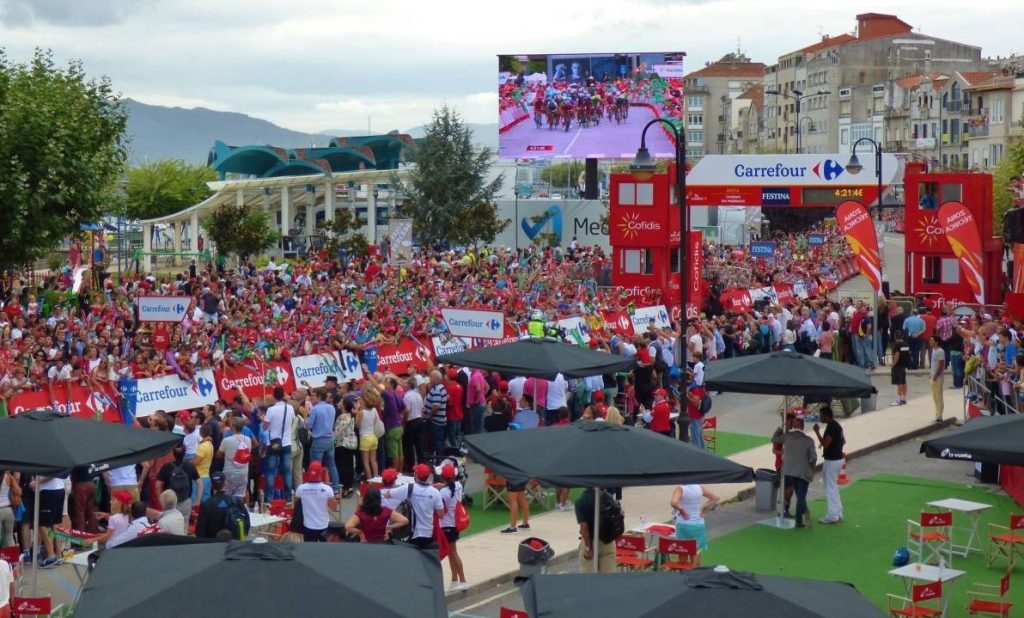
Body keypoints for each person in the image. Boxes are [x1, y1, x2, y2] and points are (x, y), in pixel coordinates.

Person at [772, 416, 816, 528]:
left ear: (794, 426)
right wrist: (811, 468)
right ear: (803, 426)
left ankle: (804, 516)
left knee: (798, 493)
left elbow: (774, 438)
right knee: (801, 495)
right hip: (803, 471)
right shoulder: (809, 441)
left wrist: (781, 427)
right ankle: (799, 520)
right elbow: (813, 458)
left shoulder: (787, 437)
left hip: (789, 470)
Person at [385, 463, 442, 550]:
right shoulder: (435, 492)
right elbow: (440, 514)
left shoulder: (408, 488)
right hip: (428, 534)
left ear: (416, 475)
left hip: (411, 534)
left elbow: (387, 494)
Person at [263, 386, 297, 503]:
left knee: (271, 471)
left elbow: (265, 427)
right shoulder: (290, 408)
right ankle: (288, 498)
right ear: (283, 396)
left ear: (273, 396)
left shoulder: (271, 410)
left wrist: (264, 420)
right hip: (287, 443)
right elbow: (292, 422)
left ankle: (269, 499)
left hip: (273, 443)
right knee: (287, 471)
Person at [813, 406, 845, 524]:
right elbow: (843, 441)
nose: (820, 417)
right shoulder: (837, 426)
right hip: (836, 459)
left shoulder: (832, 427)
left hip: (832, 460)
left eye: (821, 415)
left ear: (826, 415)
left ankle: (832, 514)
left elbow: (826, 444)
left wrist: (817, 432)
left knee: (829, 487)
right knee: (833, 486)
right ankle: (838, 511)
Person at [195, 471, 250, 540]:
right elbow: (247, 521)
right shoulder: (235, 500)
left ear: (211, 485)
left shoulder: (206, 504)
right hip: (233, 543)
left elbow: (200, 530)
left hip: (214, 543)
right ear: (224, 483)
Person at [438, 464, 467, 590]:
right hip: (454, 524)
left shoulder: (443, 492)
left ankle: (463, 580)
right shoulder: (458, 486)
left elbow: (442, 512)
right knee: (451, 552)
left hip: (447, 525)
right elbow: (448, 487)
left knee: (453, 552)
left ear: (443, 477)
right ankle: (454, 579)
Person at [574, 488, 617, 573]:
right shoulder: (607, 496)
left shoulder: (581, 500)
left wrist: (588, 548)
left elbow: (584, 527)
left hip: (591, 540)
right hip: (608, 540)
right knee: (608, 577)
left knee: (589, 579)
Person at [294, 461, 338, 542]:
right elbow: (334, 508)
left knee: (310, 551)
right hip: (324, 525)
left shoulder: (301, 488)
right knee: (324, 551)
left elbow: (295, 504)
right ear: (321, 473)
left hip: (308, 526)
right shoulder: (327, 489)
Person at [307, 388, 339, 493]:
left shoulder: (315, 409)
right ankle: (335, 488)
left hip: (318, 440)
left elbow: (309, 425)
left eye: (314, 395)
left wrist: (305, 417)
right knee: (332, 464)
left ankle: (316, 488)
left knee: (316, 465)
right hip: (330, 439)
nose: (312, 397)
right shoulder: (332, 407)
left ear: (320, 397)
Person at [156, 445, 200, 521]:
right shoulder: (190, 466)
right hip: (185, 501)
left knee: (170, 527)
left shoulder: (166, 467)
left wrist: (161, 501)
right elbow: (200, 484)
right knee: (184, 525)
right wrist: (197, 500)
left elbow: (157, 486)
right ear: (184, 453)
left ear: (173, 453)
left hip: (169, 502)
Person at [670, 484, 720, 549]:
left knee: (682, 551)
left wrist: (681, 509)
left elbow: (673, 503)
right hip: (699, 523)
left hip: (683, 523)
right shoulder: (700, 487)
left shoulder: (680, 488)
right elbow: (715, 498)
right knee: (696, 551)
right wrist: (703, 508)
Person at [217, 416, 253, 500]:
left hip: (229, 471)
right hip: (243, 472)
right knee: (240, 496)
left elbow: (218, 455)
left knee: (227, 495)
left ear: (233, 426)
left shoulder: (227, 440)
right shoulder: (248, 440)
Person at [355, 391, 381, 481]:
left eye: (361, 399)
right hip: (373, 436)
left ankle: (369, 479)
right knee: (373, 460)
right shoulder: (374, 410)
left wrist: (357, 412)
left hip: (365, 438)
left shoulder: (362, 412)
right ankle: (376, 477)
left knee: (366, 462)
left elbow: (357, 425)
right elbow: (376, 421)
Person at [929, 335, 946, 422]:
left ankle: (939, 415)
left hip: (938, 378)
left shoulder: (940, 351)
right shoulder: (933, 350)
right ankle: (937, 413)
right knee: (935, 396)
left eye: (932, 341)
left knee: (939, 396)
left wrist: (936, 375)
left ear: (936, 342)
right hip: (932, 376)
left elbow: (940, 364)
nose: (930, 342)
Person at [890, 333, 910, 406]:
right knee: (904, 382)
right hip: (904, 365)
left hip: (898, 365)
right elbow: (908, 353)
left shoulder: (897, 345)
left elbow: (897, 355)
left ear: (895, 337)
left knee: (899, 383)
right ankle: (904, 399)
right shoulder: (906, 344)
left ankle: (899, 400)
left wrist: (893, 364)